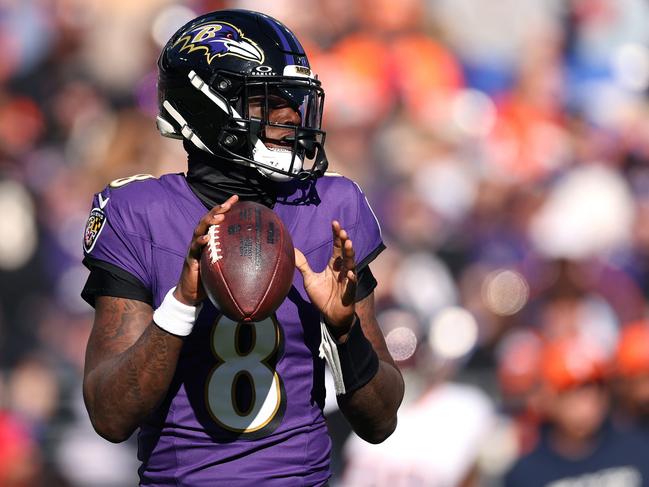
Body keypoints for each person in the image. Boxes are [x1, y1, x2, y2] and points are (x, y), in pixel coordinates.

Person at [80, 9, 404, 486]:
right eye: (268, 101)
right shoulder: (139, 212)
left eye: (294, 99)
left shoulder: (331, 204)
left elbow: (381, 423)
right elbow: (110, 416)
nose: (292, 115)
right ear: (207, 107)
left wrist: (345, 332)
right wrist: (181, 306)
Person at [504, 337, 649, 487]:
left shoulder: (640, 449)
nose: (586, 400)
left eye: (593, 386)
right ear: (547, 398)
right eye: (570, 389)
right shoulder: (526, 473)